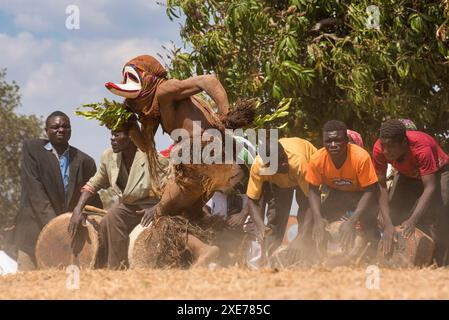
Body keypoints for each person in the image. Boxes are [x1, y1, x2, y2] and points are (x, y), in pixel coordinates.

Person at [104, 55, 255, 227]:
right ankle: (217, 243)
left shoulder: (164, 90)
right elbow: (146, 146)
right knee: (189, 214)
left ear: (148, 79)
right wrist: (130, 126)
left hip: (204, 153)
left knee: (164, 212)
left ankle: (163, 211)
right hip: (208, 163)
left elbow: (208, 80)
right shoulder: (153, 113)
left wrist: (228, 117)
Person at [67, 124, 174, 269]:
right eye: (111, 134)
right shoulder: (109, 157)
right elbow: (94, 183)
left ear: (131, 136)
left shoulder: (154, 158)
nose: (112, 139)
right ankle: (115, 269)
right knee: (110, 218)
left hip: (153, 206)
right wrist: (78, 208)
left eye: (117, 134)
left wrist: (157, 208)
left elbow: (172, 189)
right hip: (129, 208)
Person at [13, 111, 101, 270]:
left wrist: (92, 220)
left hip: (68, 241)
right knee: (28, 286)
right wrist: (56, 228)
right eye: (55, 127)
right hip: (33, 232)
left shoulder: (85, 161)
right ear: (46, 131)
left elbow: (92, 200)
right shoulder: (32, 150)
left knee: (63, 287)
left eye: (65, 126)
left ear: (71, 130)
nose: (61, 130)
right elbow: (35, 192)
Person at [373, 119, 449, 265]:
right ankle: (397, 260)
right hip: (407, 173)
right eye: (383, 146)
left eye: (391, 147)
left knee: (439, 214)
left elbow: (430, 187)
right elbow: (381, 187)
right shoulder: (379, 149)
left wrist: (413, 219)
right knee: (393, 212)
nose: (386, 151)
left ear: (404, 143)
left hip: (439, 173)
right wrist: (388, 224)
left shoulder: (422, 147)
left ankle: (440, 263)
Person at [306, 120, 380, 261]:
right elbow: (313, 189)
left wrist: (352, 220)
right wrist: (318, 218)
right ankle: (318, 258)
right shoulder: (316, 160)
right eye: (328, 141)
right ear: (323, 142)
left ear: (347, 141)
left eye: (338, 140)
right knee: (316, 221)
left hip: (362, 194)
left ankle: (373, 259)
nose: (333, 145)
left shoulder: (361, 157)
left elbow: (371, 190)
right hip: (337, 194)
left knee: (369, 224)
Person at [245, 137, 317, 254]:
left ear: (284, 152)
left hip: (307, 174)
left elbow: (311, 201)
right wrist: (260, 226)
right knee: (275, 219)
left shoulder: (298, 162)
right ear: (267, 166)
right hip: (280, 183)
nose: (283, 163)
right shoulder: (258, 167)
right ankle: (269, 258)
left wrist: (301, 235)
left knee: (306, 218)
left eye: (283, 158)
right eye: (277, 163)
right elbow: (252, 200)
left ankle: (306, 255)